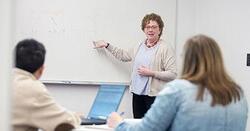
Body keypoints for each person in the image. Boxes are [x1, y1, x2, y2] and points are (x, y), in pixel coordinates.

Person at [107, 34, 248, 131]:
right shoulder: (237, 93)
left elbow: (148, 129)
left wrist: (120, 124)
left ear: (187, 59)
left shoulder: (177, 90)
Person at [93, 13, 177, 118]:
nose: (150, 30)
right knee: (138, 125)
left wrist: (151, 73)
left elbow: (173, 74)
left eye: (154, 27)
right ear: (144, 29)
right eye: (147, 27)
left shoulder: (165, 48)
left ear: (159, 30)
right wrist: (107, 45)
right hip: (137, 94)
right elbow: (123, 55)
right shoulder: (139, 46)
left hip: (154, 96)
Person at [12, 39, 81, 131]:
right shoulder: (32, 88)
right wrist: (76, 116)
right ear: (41, 70)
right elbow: (64, 123)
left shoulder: (5, 80)